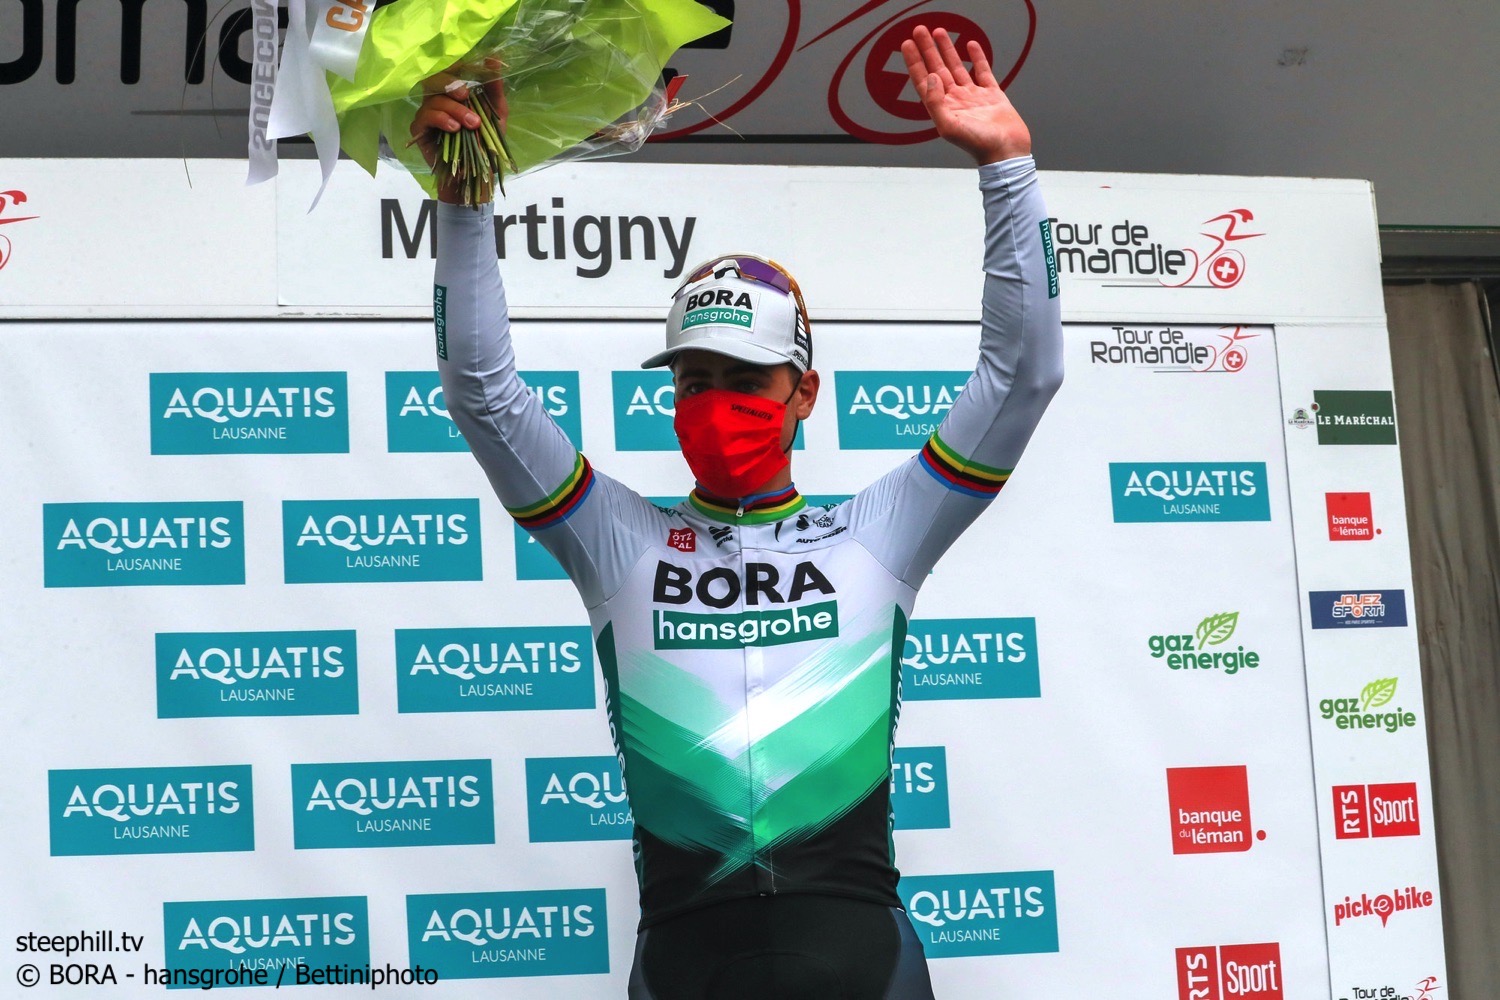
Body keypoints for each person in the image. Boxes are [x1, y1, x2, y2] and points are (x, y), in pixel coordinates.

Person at [413, 25, 1063, 999]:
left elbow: (1023, 378)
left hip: (859, 955)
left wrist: (1008, 170)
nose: (718, 402)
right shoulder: (618, 541)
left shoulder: (878, 534)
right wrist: (464, 205)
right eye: (695, 381)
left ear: (804, 393)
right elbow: (480, 392)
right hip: (689, 959)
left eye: (747, 380)